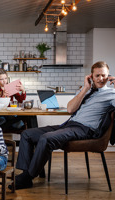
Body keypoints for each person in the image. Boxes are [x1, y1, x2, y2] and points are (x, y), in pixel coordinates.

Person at [14, 61, 115, 189]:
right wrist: (85, 88)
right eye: (97, 76)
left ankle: (28, 177)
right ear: (91, 77)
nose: (101, 79)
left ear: (109, 76)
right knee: (27, 134)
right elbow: (70, 110)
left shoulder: (112, 95)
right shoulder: (85, 90)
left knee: (47, 138)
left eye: (104, 75)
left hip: (85, 130)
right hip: (69, 125)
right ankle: (26, 173)